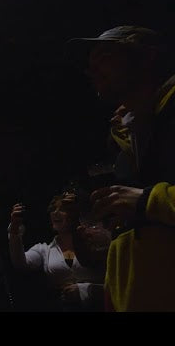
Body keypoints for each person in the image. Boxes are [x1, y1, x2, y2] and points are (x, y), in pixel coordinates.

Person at [69, 25, 175, 311]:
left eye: (105, 57)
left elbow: (147, 204)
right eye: (90, 64)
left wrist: (146, 200)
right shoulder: (129, 135)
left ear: (148, 57)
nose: (92, 70)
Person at [7, 192, 105, 311]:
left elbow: (116, 284)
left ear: (75, 213)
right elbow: (20, 263)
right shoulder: (45, 250)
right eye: (53, 209)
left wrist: (85, 291)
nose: (56, 212)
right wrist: (14, 230)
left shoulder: (95, 241)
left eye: (63, 209)